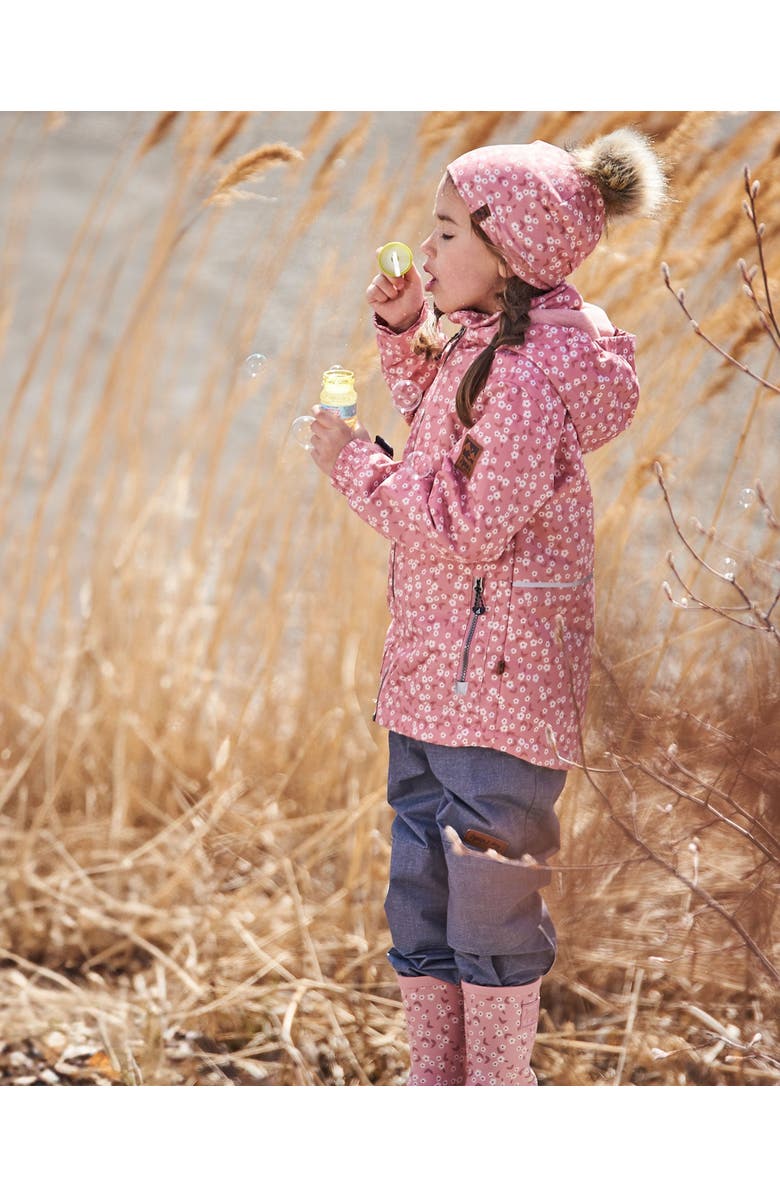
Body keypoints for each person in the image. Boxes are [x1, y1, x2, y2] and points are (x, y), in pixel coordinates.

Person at [307, 128, 666, 1085]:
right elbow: (441, 414)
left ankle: (495, 1092)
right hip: (438, 674)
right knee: (421, 892)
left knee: (490, 908)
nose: (427, 248)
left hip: (497, 696)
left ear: (508, 260)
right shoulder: (488, 341)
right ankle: (439, 1081)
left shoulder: (528, 380)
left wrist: (353, 466)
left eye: (449, 234)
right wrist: (406, 324)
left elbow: (465, 525)